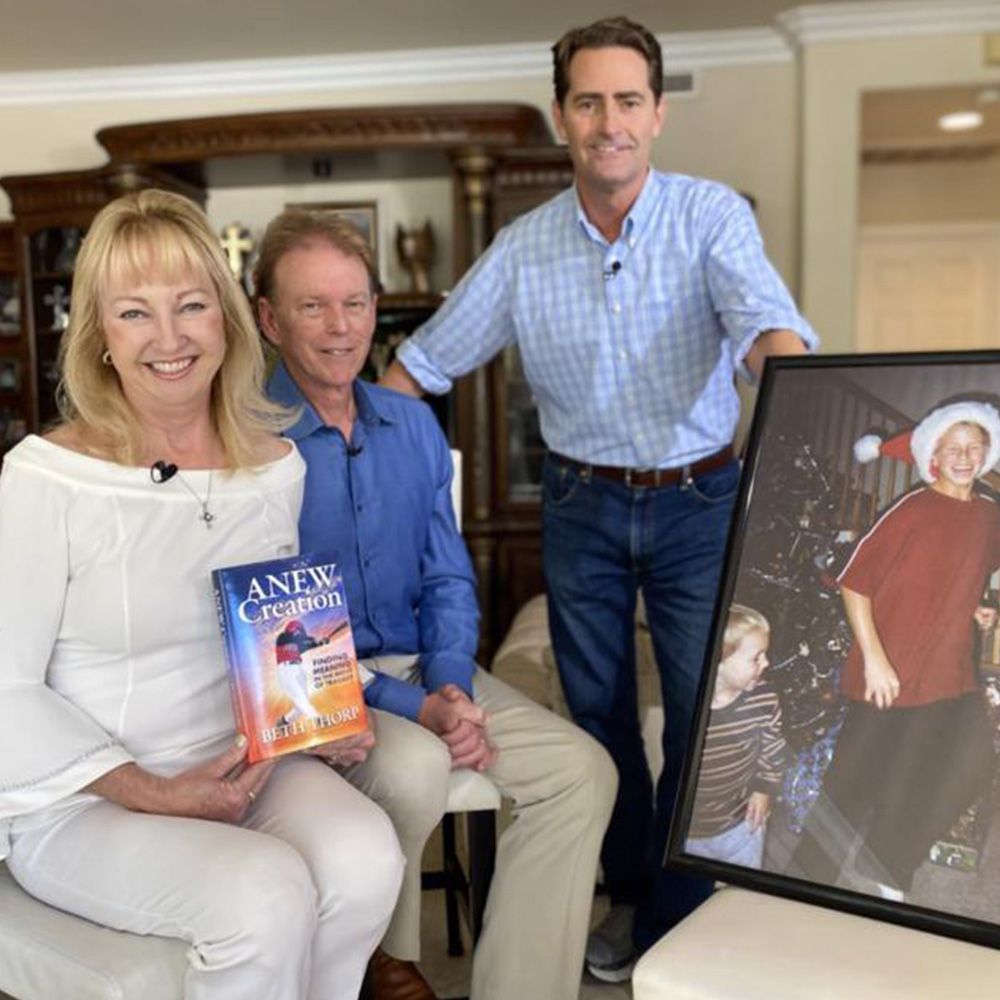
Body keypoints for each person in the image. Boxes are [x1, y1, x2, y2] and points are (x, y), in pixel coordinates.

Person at [379, 14, 818, 978]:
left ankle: (679, 911)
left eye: (627, 100)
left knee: (708, 711)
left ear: (657, 114)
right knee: (598, 717)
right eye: (589, 102)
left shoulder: (710, 217)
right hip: (578, 506)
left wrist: (792, 392)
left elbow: (764, 328)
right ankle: (631, 894)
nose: (608, 121)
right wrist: (349, 435)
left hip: (701, 501)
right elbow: (424, 365)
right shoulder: (524, 245)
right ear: (561, 117)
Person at [0, 189, 404, 1000]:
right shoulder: (46, 478)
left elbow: (273, 634)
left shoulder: (274, 468)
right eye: (134, 314)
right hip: (82, 801)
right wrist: (153, 791)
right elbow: (7, 690)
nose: (170, 338)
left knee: (369, 857)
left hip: (237, 767)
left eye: (191, 306)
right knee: (264, 894)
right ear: (100, 338)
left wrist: (317, 720)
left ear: (227, 318)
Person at [256, 207, 618, 1000]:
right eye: (312, 306)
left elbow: (447, 575)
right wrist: (418, 708)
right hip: (320, 687)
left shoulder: (412, 424)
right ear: (269, 318)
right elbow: (278, 629)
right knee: (418, 763)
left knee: (583, 773)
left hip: (428, 669)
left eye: (355, 303)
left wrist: (452, 683)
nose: (339, 326)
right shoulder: (249, 439)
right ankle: (384, 960)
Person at [793, 401, 1000, 901]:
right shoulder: (911, 509)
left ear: (988, 453)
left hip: (949, 670)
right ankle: (803, 881)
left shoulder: (991, 514)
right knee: (851, 783)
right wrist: (877, 660)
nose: (964, 457)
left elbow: (964, 568)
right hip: (888, 668)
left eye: (974, 447)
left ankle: (887, 865)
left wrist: (974, 607)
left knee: (970, 763)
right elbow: (853, 584)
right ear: (933, 455)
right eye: (953, 447)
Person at [684, 604, 785, 869]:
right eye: (756, 657)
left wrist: (764, 789)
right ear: (718, 660)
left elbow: (773, 752)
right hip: (687, 829)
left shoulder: (764, 699)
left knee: (743, 892)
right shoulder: (687, 705)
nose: (767, 663)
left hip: (741, 824)